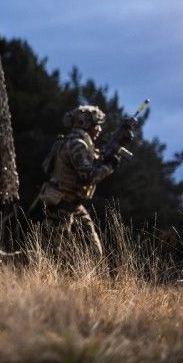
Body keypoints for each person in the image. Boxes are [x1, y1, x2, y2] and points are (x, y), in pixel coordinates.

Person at [37, 105, 123, 258]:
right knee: (54, 256)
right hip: (62, 205)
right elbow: (88, 176)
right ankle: (2, 260)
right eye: (97, 125)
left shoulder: (77, 142)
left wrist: (114, 148)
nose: (99, 130)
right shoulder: (77, 145)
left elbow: (93, 162)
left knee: (94, 252)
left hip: (72, 205)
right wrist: (110, 166)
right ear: (86, 124)